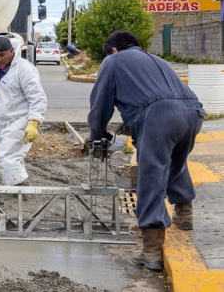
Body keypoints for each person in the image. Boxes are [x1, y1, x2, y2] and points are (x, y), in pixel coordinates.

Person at [87, 30, 204, 272]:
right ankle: (184, 213)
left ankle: (151, 250)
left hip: (160, 117)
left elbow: (100, 105)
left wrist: (96, 135)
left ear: (114, 50)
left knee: (151, 175)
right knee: (174, 162)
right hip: (193, 112)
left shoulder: (113, 61)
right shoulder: (157, 60)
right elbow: (157, 97)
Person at [0, 36, 47, 186]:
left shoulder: (24, 69)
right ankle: (14, 184)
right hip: (2, 121)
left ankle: (19, 189)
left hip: (20, 120)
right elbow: (1, 86)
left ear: (12, 52)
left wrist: (33, 122)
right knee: (11, 156)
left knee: (7, 156)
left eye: (2, 55)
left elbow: (37, 97)